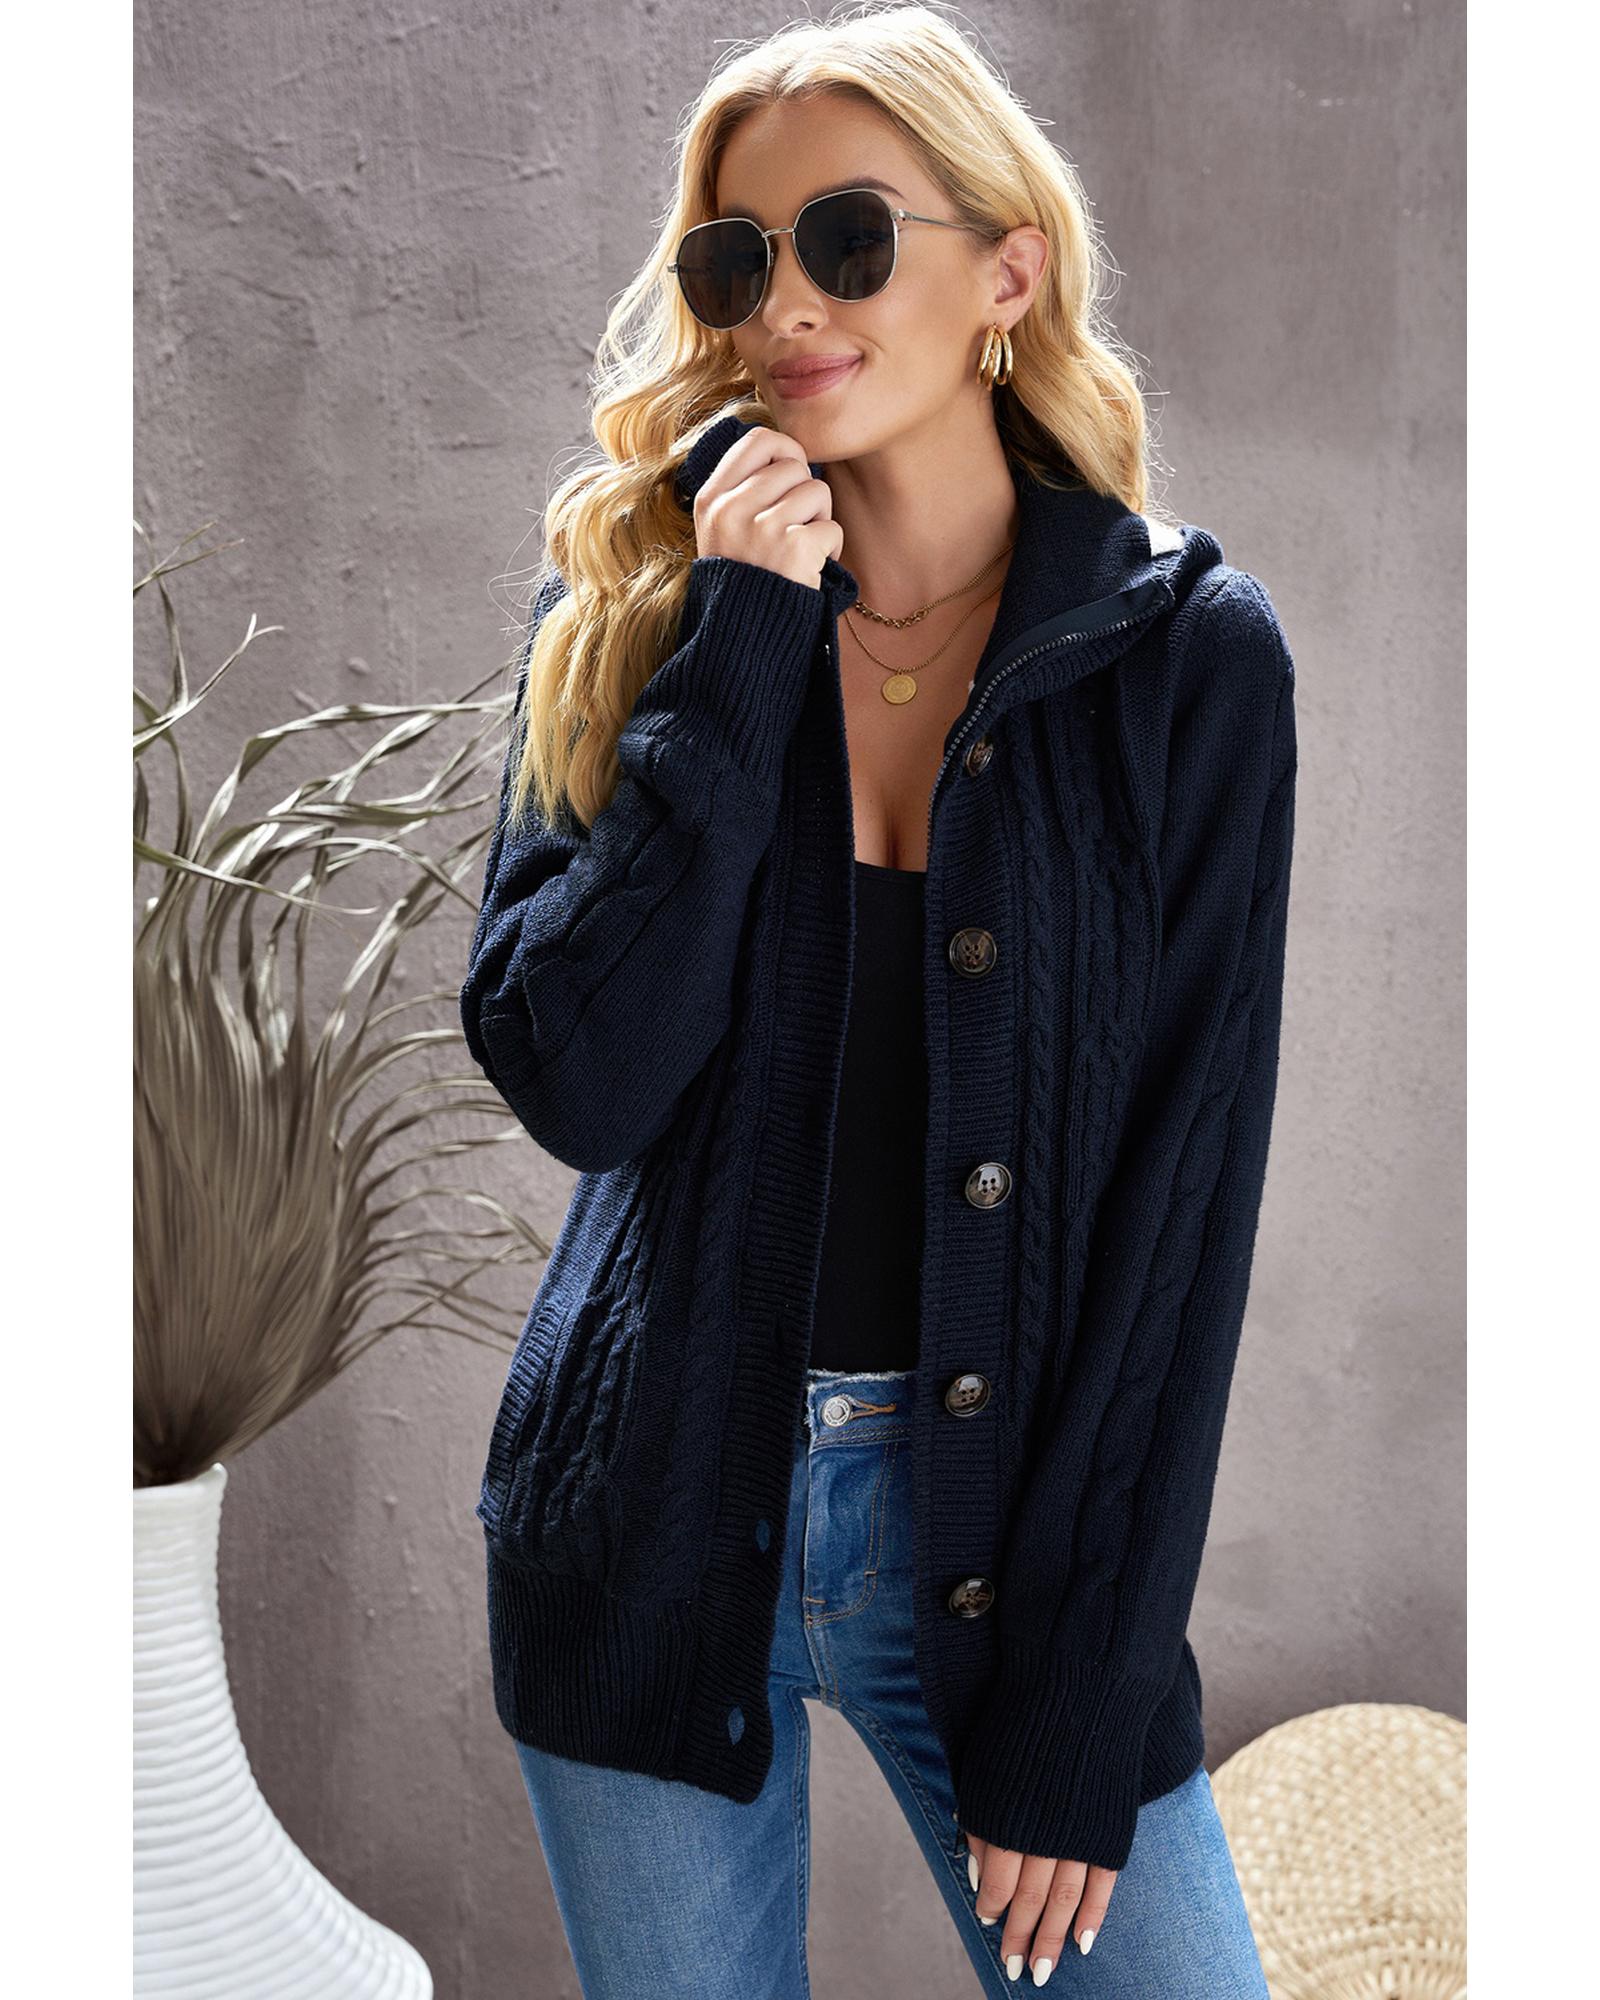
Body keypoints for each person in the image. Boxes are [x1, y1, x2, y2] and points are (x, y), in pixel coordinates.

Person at [460, 7, 1298, 1993]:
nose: (785, 307)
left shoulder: (1181, 663)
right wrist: (739, 645)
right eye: (733, 260)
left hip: (1008, 1551)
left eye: (846, 239)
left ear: (1005, 271)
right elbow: (579, 1076)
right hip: (653, 1520)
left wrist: (1082, 1696)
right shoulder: (638, 622)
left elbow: (1180, 1214)